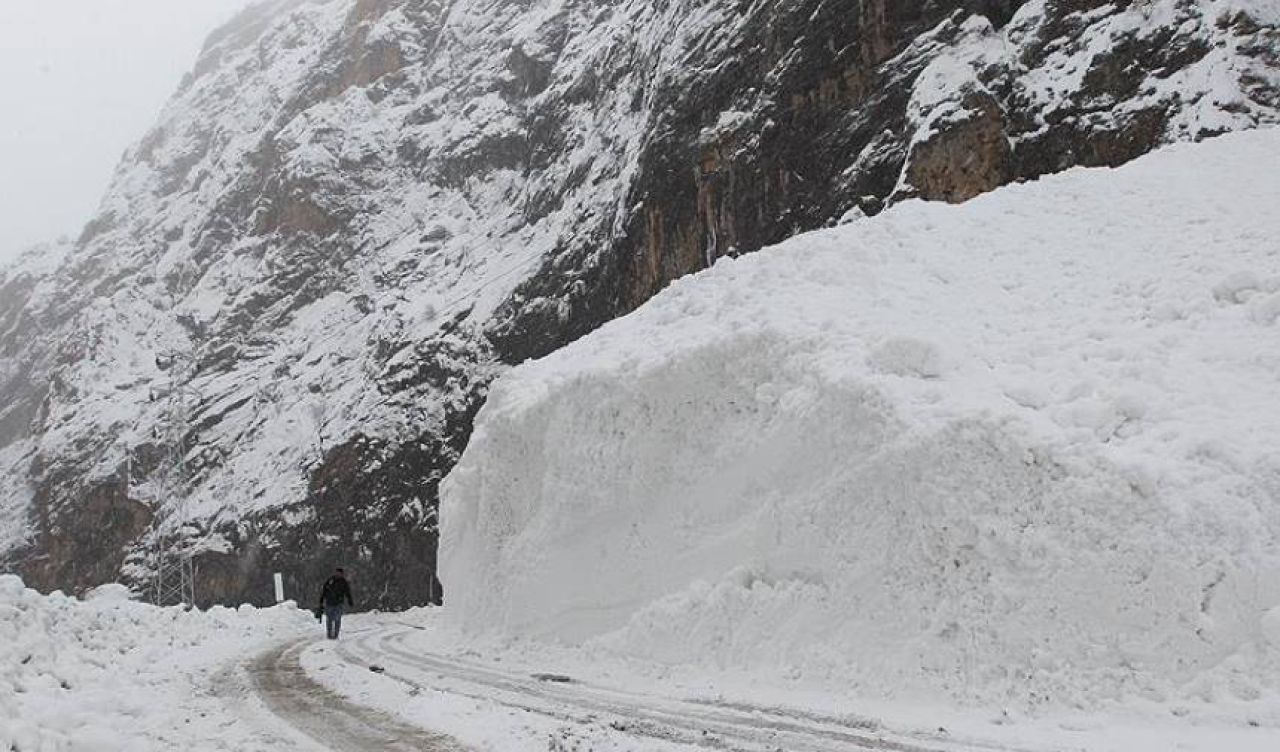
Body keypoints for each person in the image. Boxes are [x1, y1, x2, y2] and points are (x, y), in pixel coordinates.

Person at [317, 567, 354, 639]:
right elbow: (324, 591)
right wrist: (321, 600)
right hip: (329, 602)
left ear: (342, 574)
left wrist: (350, 601)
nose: (337, 574)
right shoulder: (330, 580)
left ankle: (336, 635)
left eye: (339, 573)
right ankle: (329, 634)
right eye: (336, 573)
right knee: (329, 619)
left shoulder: (344, 582)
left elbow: (347, 592)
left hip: (339, 603)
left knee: (337, 619)